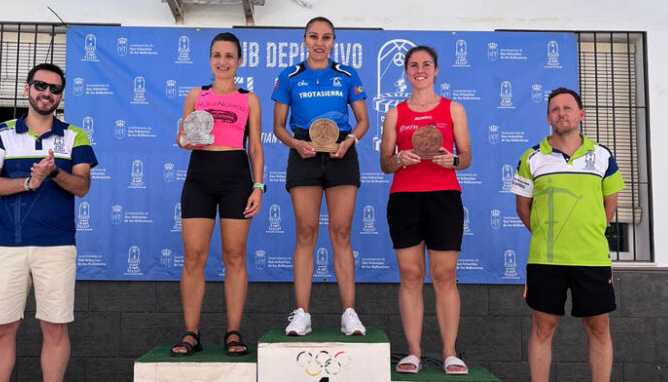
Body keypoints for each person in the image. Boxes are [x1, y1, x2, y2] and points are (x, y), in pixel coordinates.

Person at [0, 63, 97, 382]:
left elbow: (82, 187)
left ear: (61, 96)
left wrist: (55, 173)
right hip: (7, 246)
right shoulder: (0, 132)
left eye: (55, 89)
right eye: (41, 86)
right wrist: (29, 182)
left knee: (55, 328)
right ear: (27, 88)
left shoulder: (75, 135)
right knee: (2, 328)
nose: (47, 93)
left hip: (57, 246)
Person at [511, 87, 624, 382]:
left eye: (568, 108)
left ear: (581, 115)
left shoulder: (602, 155)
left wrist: (590, 232)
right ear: (548, 117)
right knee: (542, 328)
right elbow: (523, 207)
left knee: (599, 328)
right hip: (546, 260)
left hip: (592, 258)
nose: (561, 113)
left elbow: (609, 204)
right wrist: (548, 234)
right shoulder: (532, 157)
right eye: (555, 109)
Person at [272, 16, 370, 336]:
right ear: (304, 40)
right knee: (306, 231)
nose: (319, 42)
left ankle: (349, 313)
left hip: (341, 152)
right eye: (313, 36)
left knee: (341, 233)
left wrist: (349, 141)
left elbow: (363, 122)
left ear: (333, 42)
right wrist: (295, 143)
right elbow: (278, 127)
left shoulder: (346, 74)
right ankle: (302, 313)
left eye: (326, 37)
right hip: (304, 153)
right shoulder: (289, 76)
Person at [171, 32, 264, 357]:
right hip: (200, 176)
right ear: (209, 60)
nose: (222, 61)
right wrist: (183, 140)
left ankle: (233, 332)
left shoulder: (250, 99)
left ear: (240, 61)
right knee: (194, 256)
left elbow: (255, 146)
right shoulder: (196, 94)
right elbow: (182, 135)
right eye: (217, 55)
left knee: (234, 257)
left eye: (229, 56)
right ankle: (191, 334)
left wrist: (258, 185)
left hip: (236, 177)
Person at [379, 46, 471, 375]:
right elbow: (384, 163)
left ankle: (449, 353)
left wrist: (453, 161)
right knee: (410, 276)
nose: (420, 70)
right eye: (414, 65)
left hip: (444, 197)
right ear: (406, 72)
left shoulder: (454, 110)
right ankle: (413, 352)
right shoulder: (395, 114)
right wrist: (399, 159)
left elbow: (466, 157)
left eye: (426, 64)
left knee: (445, 276)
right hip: (405, 198)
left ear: (436, 69)